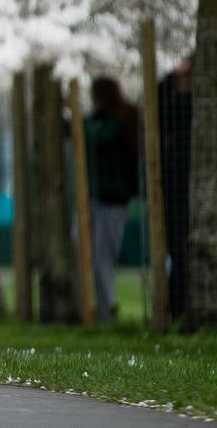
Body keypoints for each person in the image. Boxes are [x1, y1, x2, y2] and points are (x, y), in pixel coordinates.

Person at [84, 75, 141, 323]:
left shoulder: (119, 121)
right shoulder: (106, 120)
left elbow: (97, 138)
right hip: (96, 198)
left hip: (112, 200)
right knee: (88, 252)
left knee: (102, 260)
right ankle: (98, 308)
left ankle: (107, 312)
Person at [156, 59, 194, 321]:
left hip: (183, 183)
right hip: (175, 185)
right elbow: (157, 107)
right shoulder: (168, 98)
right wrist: (173, 78)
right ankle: (177, 307)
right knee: (178, 250)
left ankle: (180, 307)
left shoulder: (208, 100)